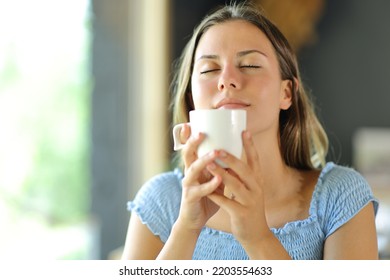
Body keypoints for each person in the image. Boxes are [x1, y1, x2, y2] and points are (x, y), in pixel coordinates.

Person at [122, 2, 379, 260]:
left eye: (250, 65)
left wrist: (257, 237)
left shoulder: (341, 197)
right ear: (192, 101)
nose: (227, 80)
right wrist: (186, 228)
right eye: (209, 69)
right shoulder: (160, 201)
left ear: (286, 93)